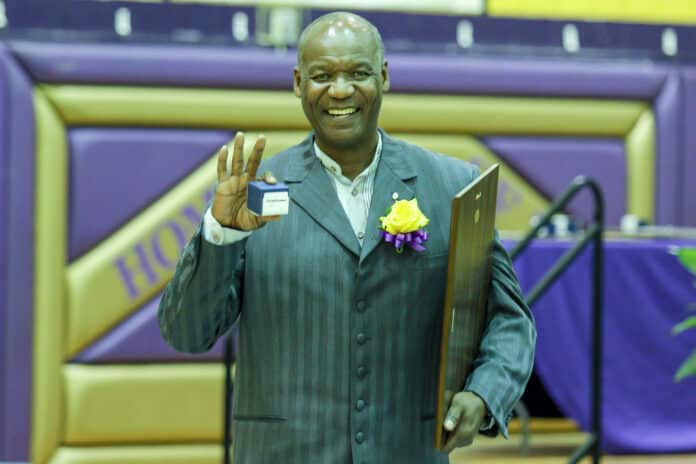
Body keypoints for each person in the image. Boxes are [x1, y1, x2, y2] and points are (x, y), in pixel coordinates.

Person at [158, 11, 535, 464]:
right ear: (298, 83)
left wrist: (483, 393)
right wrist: (220, 234)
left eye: (358, 73)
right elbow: (186, 333)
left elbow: (510, 320)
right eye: (322, 76)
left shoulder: (450, 185)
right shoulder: (258, 195)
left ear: (385, 77)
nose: (340, 90)